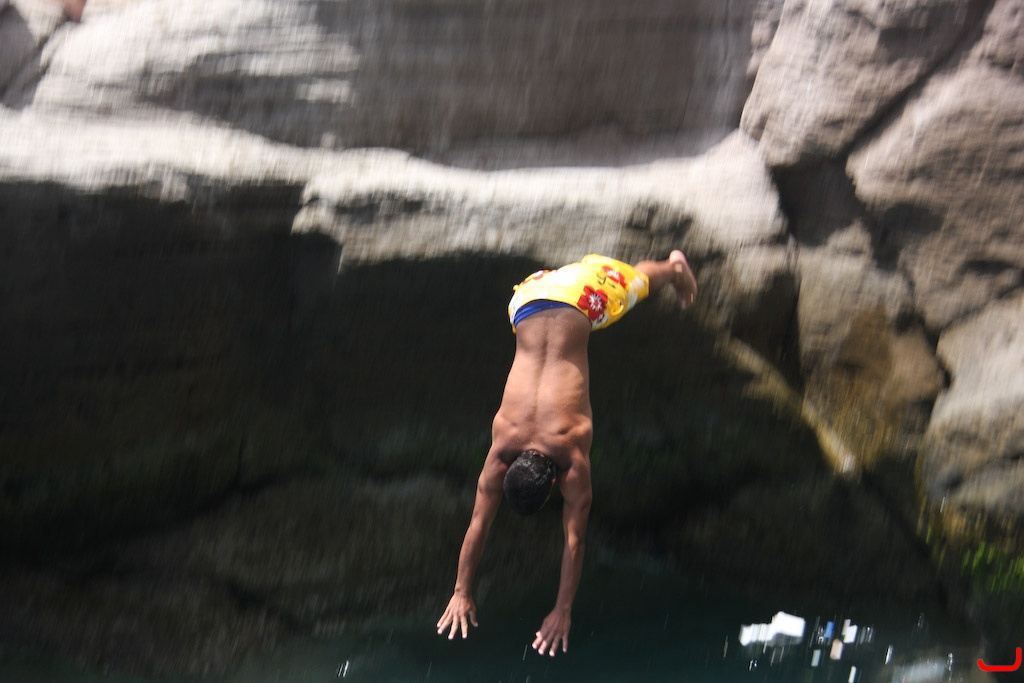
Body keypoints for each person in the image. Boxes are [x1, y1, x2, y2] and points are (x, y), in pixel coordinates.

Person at [436, 250, 697, 657]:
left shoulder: (572, 458)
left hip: (580, 298)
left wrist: (563, 611)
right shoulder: (501, 447)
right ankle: (655, 270)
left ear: (555, 481)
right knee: (599, 283)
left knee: (639, 284)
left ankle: (674, 268)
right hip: (528, 295)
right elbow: (477, 524)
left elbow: (574, 542)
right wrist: (460, 590)